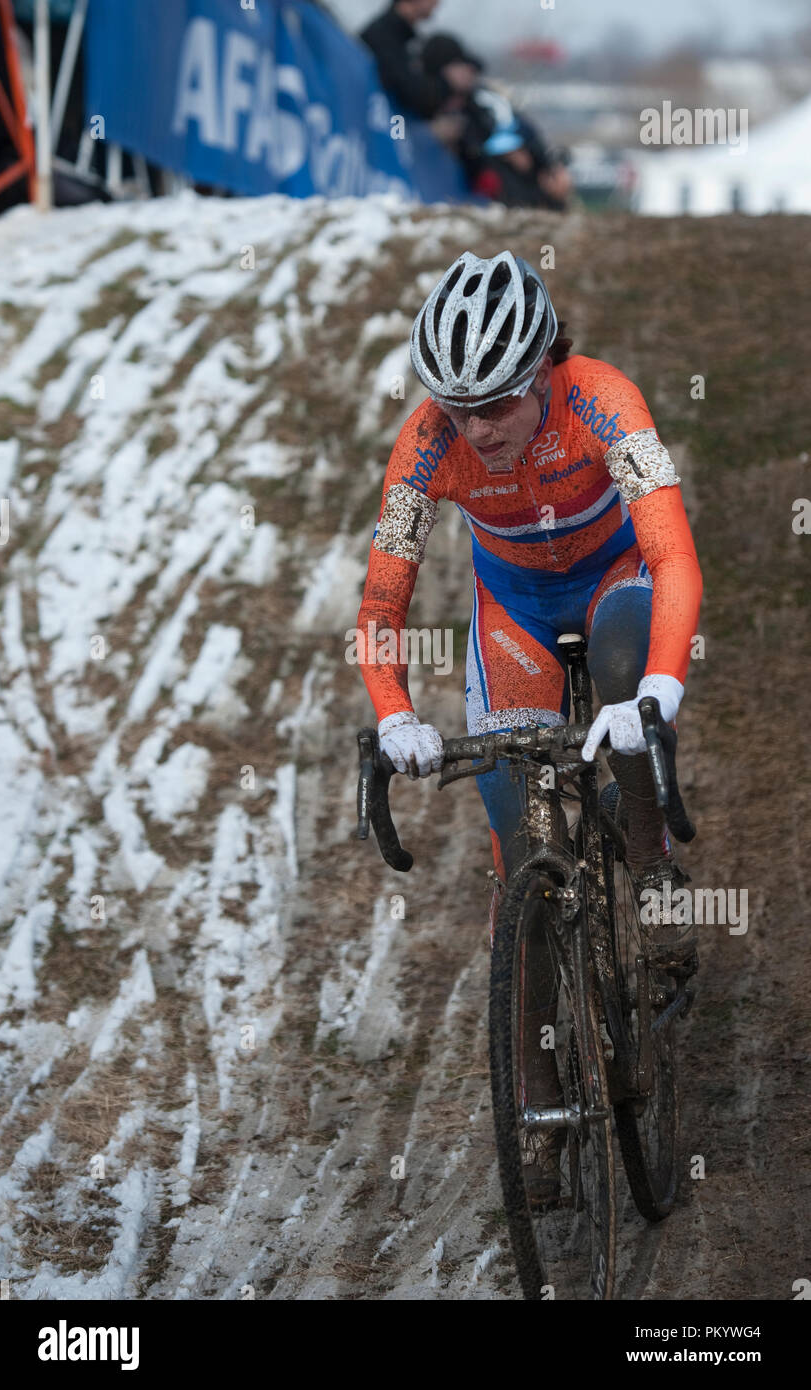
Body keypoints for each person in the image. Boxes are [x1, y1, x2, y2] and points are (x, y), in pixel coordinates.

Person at [355, 251, 702, 1193]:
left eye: (499, 403)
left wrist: (658, 695)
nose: (479, 429)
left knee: (628, 666)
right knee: (522, 835)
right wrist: (394, 715)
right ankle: (539, 1091)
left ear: (544, 365)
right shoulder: (428, 441)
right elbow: (381, 603)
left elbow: (672, 559)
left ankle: (650, 859)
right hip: (511, 611)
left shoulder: (603, 402)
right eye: (458, 407)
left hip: (616, 585)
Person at [419, 35, 572, 208]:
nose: (469, 72)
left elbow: (521, 130)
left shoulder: (483, 100)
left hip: (522, 183)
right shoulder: (427, 108)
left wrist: (549, 164)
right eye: (460, 66)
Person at [360, 0, 476, 121]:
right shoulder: (382, 35)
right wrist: (448, 82)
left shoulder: (407, 39)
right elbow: (408, 91)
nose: (437, 2)